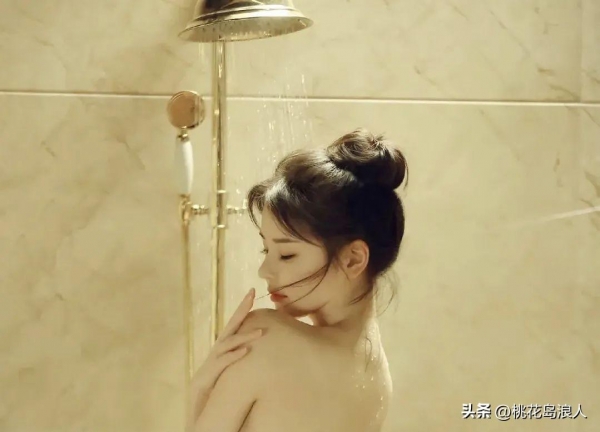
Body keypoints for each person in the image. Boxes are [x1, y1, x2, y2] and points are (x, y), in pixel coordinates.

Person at [187, 128, 409, 432]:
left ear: (353, 259)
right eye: (267, 249)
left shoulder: (264, 337)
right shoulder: (378, 378)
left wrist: (199, 390)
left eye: (287, 255)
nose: (265, 271)